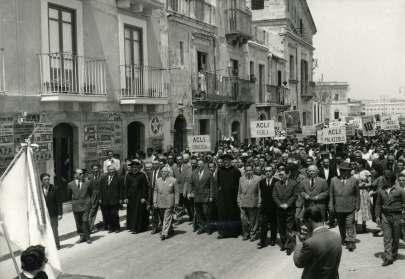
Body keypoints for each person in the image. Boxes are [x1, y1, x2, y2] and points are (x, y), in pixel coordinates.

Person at [293, 206, 342, 279]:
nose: (304, 225)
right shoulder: (336, 236)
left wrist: (299, 243)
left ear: (309, 220)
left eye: (304, 222)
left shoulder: (310, 243)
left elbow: (298, 263)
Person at [375, 172, 405, 266]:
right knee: (387, 238)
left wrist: (403, 217)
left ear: (391, 179)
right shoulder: (381, 191)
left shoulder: (400, 190)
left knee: (395, 238)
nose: (385, 180)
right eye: (384, 178)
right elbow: (378, 204)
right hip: (385, 216)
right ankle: (388, 257)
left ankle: (394, 253)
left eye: (387, 179)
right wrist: (377, 216)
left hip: (397, 216)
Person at [329, 162, 360, 252]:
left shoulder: (354, 180)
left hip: (350, 206)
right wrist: (331, 205)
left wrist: (357, 204)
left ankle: (350, 241)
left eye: (345, 170)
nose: (343, 172)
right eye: (341, 170)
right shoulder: (333, 180)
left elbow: (357, 194)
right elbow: (331, 194)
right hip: (338, 207)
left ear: (349, 171)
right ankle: (343, 238)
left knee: (350, 224)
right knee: (341, 225)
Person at [273, 166, 299, 255]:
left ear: (287, 174)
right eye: (279, 174)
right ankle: (283, 243)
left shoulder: (293, 183)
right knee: (281, 227)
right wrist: (280, 204)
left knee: (289, 227)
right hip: (279, 209)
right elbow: (274, 196)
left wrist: (287, 204)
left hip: (290, 209)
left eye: (282, 174)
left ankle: (289, 245)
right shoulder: (276, 184)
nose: (280, 176)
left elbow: (295, 195)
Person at [216, 153, 242, 238]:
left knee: (233, 213)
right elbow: (218, 183)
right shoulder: (220, 170)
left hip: (232, 196)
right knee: (223, 214)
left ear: (230, 161)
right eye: (224, 161)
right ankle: (223, 233)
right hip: (223, 197)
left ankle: (234, 233)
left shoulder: (235, 171)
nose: (226, 162)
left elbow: (239, 184)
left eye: (227, 161)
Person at [190, 158, 214, 234]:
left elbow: (211, 185)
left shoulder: (209, 173)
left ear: (204, 164)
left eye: (201, 163)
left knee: (206, 212)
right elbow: (191, 184)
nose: (199, 165)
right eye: (198, 164)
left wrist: (211, 196)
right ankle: (202, 227)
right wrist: (191, 192)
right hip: (197, 196)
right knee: (198, 213)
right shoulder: (194, 173)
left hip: (205, 196)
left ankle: (209, 227)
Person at [67, 169, 92, 244]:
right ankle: (82, 236)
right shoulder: (70, 184)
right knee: (78, 222)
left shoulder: (87, 183)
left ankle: (88, 237)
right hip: (76, 206)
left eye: (82, 174)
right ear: (75, 175)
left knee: (85, 220)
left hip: (86, 205)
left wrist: (89, 202)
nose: (82, 175)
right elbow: (68, 195)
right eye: (80, 174)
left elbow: (90, 193)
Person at [237, 165, 261, 241]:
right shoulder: (241, 179)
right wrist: (238, 200)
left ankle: (253, 234)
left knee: (253, 220)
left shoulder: (258, 178)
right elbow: (239, 191)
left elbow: (260, 191)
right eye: (247, 170)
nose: (248, 172)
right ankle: (245, 233)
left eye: (250, 170)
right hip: (243, 202)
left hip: (253, 202)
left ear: (253, 170)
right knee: (243, 219)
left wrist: (259, 201)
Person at [125, 159, 149, 233]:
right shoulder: (128, 175)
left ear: (138, 168)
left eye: (136, 167)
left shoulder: (142, 175)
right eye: (133, 167)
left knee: (138, 212)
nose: (134, 168)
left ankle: (137, 228)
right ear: (131, 168)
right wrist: (125, 197)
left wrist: (144, 197)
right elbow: (126, 187)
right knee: (131, 212)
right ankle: (132, 227)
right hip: (131, 197)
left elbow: (145, 187)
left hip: (139, 196)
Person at [258, 166, 279, 248]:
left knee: (273, 224)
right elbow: (261, 194)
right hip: (265, 207)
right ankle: (262, 241)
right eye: (266, 171)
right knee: (263, 225)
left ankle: (273, 240)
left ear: (272, 172)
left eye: (270, 171)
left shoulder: (277, 181)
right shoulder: (261, 182)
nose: (268, 172)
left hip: (274, 206)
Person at [40, 173, 63, 249]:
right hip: (43, 214)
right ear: (42, 181)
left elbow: (59, 202)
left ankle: (57, 245)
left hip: (53, 213)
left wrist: (60, 213)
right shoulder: (39, 190)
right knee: (45, 231)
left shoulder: (55, 188)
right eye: (45, 180)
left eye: (48, 179)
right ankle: (49, 246)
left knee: (54, 230)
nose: (47, 181)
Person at [99, 165, 124, 233]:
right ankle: (111, 227)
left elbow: (121, 189)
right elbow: (101, 189)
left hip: (115, 199)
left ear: (115, 170)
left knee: (114, 214)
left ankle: (117, 227)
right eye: (110, 170)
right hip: (106, 200)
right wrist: (100, 198)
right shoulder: (103, 178)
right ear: (108, 170)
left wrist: (121, 198)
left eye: (113, 170)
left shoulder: (119, 178)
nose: (112, 171)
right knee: (108, 214)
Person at [155, 166, 178, 240]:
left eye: (165, 172)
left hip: (169, 202)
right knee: (163, 218)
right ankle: (170, 228)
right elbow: (155, 191)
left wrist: (176, 202)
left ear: (168, 173)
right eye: (162, 171)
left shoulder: (173, 180)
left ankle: (164, 233)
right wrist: (154, 201)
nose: (163, 173)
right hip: (160, 202)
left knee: (166, 217)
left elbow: (176, 192)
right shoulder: (158, 180)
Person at [88, 164, 103, 232]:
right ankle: (90, 227)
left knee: (105, 210)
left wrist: (101, 197)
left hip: (102, 196)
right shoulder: (90, 177)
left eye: (96, 168)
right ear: (92, 170)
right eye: (94, 169)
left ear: (99, 169)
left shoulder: (102, 176)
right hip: (93, 196)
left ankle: (107, 225)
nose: (95, 170)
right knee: (92, 211)